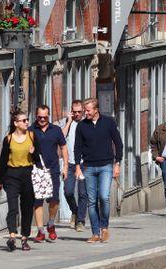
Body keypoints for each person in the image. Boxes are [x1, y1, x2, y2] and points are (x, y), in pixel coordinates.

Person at [74, 98, 123, 244]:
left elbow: (118, 143)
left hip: (106, 166)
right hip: (88, 166)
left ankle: (104, 227)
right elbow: (77, 147)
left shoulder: (108, 122)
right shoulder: (82, 126)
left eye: (88, 110)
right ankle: (95, 233)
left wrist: (117, 163)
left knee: (104, 196)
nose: (85, 113)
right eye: (85, 110)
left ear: (96, 110)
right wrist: (77, 166)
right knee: (91, 200)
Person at [0, 110, 44, 251]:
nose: (27, 122)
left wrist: (34, 154)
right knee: (13, 207)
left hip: (28, 175)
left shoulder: (32, 136)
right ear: (16, 123)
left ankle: (24, 238)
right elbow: (3, 161)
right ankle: (12, 236)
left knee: (27, 208)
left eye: (27, 120)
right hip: (12, 175)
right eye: (23, 120)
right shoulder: (8, 139)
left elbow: (39, 160)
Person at [32, 105, 68, 242]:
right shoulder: (31, 130)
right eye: (39, 117)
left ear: (49, 116)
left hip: (53, 170)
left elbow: (63, 148)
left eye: (45, 117)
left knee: (54, 200)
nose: (42, 119)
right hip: (37, 170)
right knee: (38, 201)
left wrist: (65, 167)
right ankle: (40, 231)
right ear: (36, 116)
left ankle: (51, 224)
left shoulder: (56, 130)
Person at [60, 99, 89, 231]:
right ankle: (75, 211)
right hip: (70, 164)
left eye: (79, 112)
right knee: (68, 192)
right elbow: (61, 137)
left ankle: (80, 221)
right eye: (74, 112)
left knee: (83, 193)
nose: (77, 114)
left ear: (83, 111)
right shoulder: (68, 123)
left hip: (84, 164)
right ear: (71, 112)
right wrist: (69, 121)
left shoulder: (86, 124)